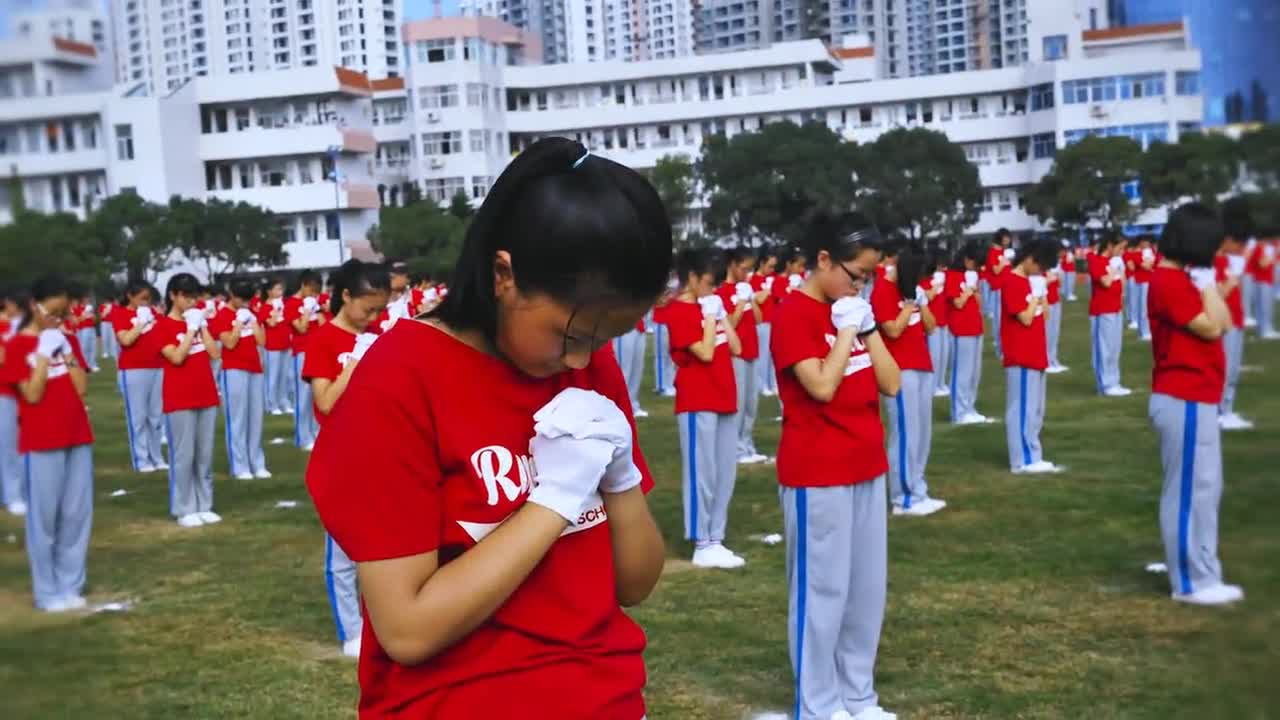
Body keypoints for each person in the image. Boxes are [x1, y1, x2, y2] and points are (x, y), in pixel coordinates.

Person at [305, 138, 667, 717]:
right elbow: (408, 629)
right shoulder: (399, 382)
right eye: (571, 336)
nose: (582, 361)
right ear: (505, 274)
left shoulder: (583, 366)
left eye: (603, 341)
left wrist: (620, 479)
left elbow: (635, 584)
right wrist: (552, 502)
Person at [770, 210, 901, 720]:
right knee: (821, 593)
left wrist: (867, 330)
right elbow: (821, 385)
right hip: (817, 471)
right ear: (824, 260)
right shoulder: (793, 315)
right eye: (856, 274)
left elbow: (889, 382)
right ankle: (817, 705)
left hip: (866, 463)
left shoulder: (851, 310)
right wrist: (847, 332)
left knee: (866, 591)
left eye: (868, 277)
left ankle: (857, 696)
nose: (860, 285)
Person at [1147, 203, 1243, 606]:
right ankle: (1189, 581)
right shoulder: (1169, 281)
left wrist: (1205, 285)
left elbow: (1224, 323)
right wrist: (1206, 285)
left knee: (1205, 488)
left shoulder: (1184, 279)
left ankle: (1200, 567)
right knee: (1189, 491)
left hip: (1198, 396)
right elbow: (1208, 327)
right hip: (1182, 394)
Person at [302, 260, 390, 659]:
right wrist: (353, 368)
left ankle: (383, 622)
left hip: (380, 452)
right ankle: (350, 630)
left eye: (379, 310)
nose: (372, 317)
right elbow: (323, 402)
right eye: (367, 308)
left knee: (384, 545)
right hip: (340, 456)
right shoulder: (323, 340)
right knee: (342, 553)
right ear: (346, 296)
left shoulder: (378, 336)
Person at [3, 275, 95, 612]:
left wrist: (67, 350)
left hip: (77, 433)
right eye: (53, 312)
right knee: (44, 518)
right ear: (34, 306)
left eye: (64, 313)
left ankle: (71, 584)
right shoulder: (17, 346)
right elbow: (32, 393)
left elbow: (80, 386)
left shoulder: (64, 338)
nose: (59, 320)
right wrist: (43, 354)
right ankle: (46, 591)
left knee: (76, 514)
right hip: (42, 439)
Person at [671, 247, 744, 567]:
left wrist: (723, 316)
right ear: (692, 279)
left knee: (725, 470)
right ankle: (702, 541)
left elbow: (737, 347)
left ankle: (717, 536)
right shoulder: (680, 312)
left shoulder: (709, 308)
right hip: (697, 399)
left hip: (724, 396)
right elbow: (704, 352)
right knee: (703, 472)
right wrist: (711, 316)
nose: (712, 289)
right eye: (708, 282)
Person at [871, 239, 942, 516]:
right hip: (899, 369)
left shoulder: (912, 288)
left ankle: (918, 488)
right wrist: (907, 306)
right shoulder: (883, 290)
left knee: (923, 432)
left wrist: (921, 304)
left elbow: (932, 327)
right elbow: (892, 330)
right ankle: (903, 497)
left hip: (922, 365)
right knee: (905, 433)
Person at [156, 273, 222, 528]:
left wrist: (202, 326)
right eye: (186, 296)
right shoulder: (162, 326)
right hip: (179, 397)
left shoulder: (198, 320)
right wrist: (190, 329)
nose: (191, 301)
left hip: (206, 393)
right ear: (173, 296)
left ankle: (204, 504)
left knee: (204, 455)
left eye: (194, 296)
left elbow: (215, 353)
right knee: (183, 455)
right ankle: (184, 507)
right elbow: (176, 357)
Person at [1001, 239, 1062, 474]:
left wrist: (1041, 295)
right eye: (1040, 266)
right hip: (1020, 354)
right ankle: (1022, 459)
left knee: (1035, 409)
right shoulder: (1012, 281)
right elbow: (1025, 317)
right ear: (1029, 259)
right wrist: (1035, 297)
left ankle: (1033, 453)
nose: (1041, 271)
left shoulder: (1029, 282)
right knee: (1022, 408)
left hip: (1035, 353)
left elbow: (1044, 315)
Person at [212, 280, 271, 481]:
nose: (245, 303)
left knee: (255, 419)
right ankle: (239, 465)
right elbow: (228, 343)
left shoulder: (250, 312)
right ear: (232, 295)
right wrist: (237, 324)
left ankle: (257, 463)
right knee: (237, 418)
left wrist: (253, 321)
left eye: (247, 300)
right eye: (241, 299)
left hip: (255, 368)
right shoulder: (222, 315)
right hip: (233, 369)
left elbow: (262, 341)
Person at [717, 245, 767, 464]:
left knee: (751, 404)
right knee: (738, 403)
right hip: (735, 354)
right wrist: (739, 303)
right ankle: (735, 449)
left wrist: (751, 299)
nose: (746, 273)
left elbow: (757, 318)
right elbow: (731, 324)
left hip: (752, 350)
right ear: (733, 265)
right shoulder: (722, 292)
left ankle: (747, 445)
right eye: (744, 268)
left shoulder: (744, 288)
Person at [113, 281, 168, 473]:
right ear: (130, 296)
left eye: (148, 299)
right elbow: (125, 340)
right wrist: (141, 323)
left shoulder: (153, 314)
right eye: (142, 298)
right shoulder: (120, 314)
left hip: (158, 367)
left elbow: (164, 335)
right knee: (138, 417)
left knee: (156, 416)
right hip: (134, 369)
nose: (146, 302)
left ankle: (157, 456)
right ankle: (141, 459)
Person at [1216, 198, 1253, 430]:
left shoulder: (1231, 260)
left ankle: (1227, 408)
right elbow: (1217, 293)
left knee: (1233, 367)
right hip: (1224, 322)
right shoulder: (1215, 262)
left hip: (1236, 319)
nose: (1240, 249)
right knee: (1225, 368)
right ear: (1227, 240)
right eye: (1238, 244)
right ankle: (1220, 411)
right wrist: (1233, 278)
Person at [946, 243, 992, 424]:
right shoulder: (953, 276)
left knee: (974, 372)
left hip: (975, 327)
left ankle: (970, 408)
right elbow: (957, 303)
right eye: (975, 262)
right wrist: (968, 289)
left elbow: (978, 302)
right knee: (962, 372)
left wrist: (975, 289)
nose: (976, 266)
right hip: (960, 329)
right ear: (966, 259)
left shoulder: (972, 275)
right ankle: (959, 412)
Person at [285, 271, 324, 450]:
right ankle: (303, 436)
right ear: (304, 285)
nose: (314, 293)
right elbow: (301, 328)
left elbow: (325, 326)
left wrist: (317, 309)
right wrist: (307, 311)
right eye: (312, 289)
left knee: (317, 395)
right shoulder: (291, 304)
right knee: (303, 396)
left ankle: (316, 432)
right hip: (301, 352)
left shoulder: (313, 302)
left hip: (317, 351)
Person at [1089, 234, 1130, 396]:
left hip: (1115, 309)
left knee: (1114, 348)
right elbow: (1105, 282)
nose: (1122, 251)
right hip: (1102, 310)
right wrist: (1113, 269)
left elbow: (1122, 284)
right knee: (1104, 348)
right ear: (1110, 245)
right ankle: (1105, 385)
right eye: (1120, 248)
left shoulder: (1116, 262)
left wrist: (1121, 269)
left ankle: (1114, 381)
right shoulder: (1096, 260)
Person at [259, 278, 293, 416]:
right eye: (277, 289)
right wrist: (275, 309)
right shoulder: (265, 307)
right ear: (269, 291)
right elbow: (271, 323)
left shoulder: (283, 304)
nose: (281, 292)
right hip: (272, 346)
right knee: (273, 376)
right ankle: (271, 404)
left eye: (281, 289)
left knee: (284, 376)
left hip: (286, 344)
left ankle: (284, 402)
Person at [753, 246, 781, 398]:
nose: (772, 269)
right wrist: (769, 288)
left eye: (774, 266)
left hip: (775, 321)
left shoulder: (774, 278)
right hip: (762, 322)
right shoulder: (754, 279)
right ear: (762, 263)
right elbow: (758, 299)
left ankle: (774, 384)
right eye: (770, 266)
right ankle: (761, 385)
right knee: (762, 356)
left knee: (774, 356)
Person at [923, 247, 951, 398]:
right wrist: (936, 285)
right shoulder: (925, 279)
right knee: (934, 355)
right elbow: (928, 297)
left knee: (943, 354)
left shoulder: (945, 276)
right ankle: (932, 385)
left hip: (944, 320)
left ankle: (941, 383)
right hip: (932, 323)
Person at [613, 315, 648, 418]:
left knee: (637, 368)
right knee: (623, 370)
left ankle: (632, 405)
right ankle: (618, 407)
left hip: (639, 323)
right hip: (622, 324)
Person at [1246, 228, 1277, 338]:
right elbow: (1262, 264)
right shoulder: (1259, 248)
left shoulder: (1264, 248)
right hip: (1262, 280)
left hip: (1265, 280)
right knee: (1264, 307)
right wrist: (1272, 257)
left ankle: (1263, 330)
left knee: (1263, 307)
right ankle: (1265, 330)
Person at [650, 275, 678, 397]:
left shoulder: (676, 280)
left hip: (672, 320)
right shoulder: (659, 281)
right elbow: (659, 302)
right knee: (661, 356)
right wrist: (671, 296)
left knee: (671, 355)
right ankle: (661, 386)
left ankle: (670, 384)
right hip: (661, 320)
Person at [1044, 252, 1068, 374]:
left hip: (1055, 301)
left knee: (1054, 332)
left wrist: (1059, 274)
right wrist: (1049, 278)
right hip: (1046, 303)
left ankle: (1053, 359)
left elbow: (1059, 284)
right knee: (1047, 333)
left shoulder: (1054, 268)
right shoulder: (1041, 269)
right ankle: (1046, 361)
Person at [1132, 235, 1157, 340]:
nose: (1146, 244)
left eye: (1148, 242)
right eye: (1144, 242)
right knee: (1143, 308)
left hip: (1151, 281)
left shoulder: (1153, 252)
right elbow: (1146, 266)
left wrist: (1150, 264)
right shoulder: (1137, 253)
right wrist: (1151, 264)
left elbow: (1157, 263)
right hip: (1142, 282)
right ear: (1140, 243)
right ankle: (1144, 332)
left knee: (1149, 307)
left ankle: (1145, 331)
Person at [70, 289, 99, 372]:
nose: (87, 300)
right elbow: (76, 321)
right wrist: (84, 315)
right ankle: (84, 365)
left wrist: (93, 316)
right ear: (82, 300)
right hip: (83, 330)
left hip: (92, 328)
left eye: (88, 298)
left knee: (93, 347)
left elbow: (95, 320)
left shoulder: (90, 308)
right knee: (84, 347)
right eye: (86, 298)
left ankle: (93, 364)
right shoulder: (77, 308)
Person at [97, 293, 117, 362]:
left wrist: (110, 309)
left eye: (108, 301)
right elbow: (101, 316)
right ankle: (105, 352)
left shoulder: (114, 306)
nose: (107, 302)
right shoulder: (102, 306)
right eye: (106, 301)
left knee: (113, 338)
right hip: (104, 323)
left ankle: (113, 352)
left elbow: (116, 314)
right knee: (105, 337)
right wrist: (106, 311)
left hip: (112, 323)